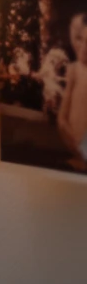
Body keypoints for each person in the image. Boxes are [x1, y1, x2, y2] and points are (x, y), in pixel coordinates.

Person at [57, 14, 87, 172]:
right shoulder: (74, 70)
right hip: (75, 146)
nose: (84, 47)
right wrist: (73, 139)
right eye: (80, 40)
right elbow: (62, 117)